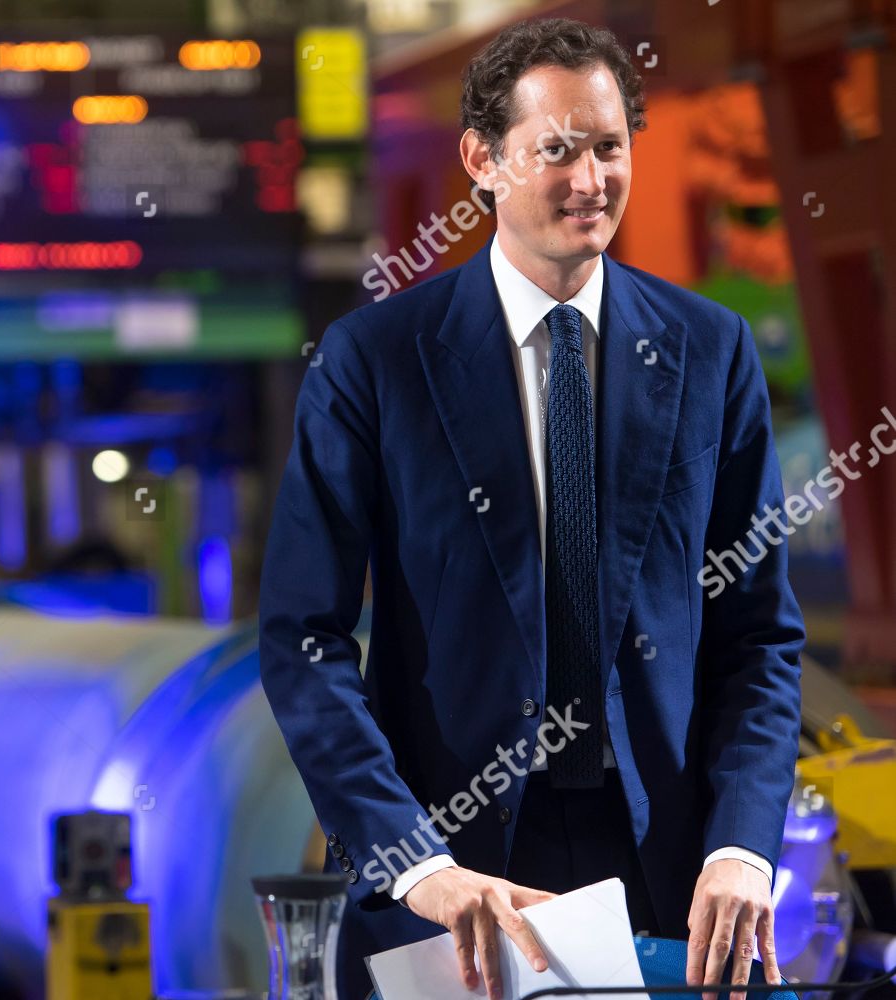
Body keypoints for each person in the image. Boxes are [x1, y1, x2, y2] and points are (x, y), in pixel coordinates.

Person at [258, 17, 803, 1000]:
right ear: (482, 159)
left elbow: (757, 635)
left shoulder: (711, 354)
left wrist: (743, 849)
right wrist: (416, 864)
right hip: (455, 878)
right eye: (557, 149)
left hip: (671, 875)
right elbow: (304, 639)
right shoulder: (375, 364)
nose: (590, 180)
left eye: (608, 147)